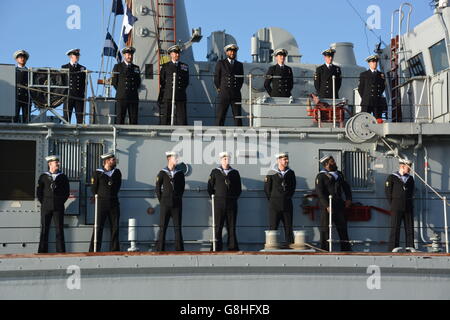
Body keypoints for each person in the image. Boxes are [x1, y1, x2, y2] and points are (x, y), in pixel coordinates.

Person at [315, 155, 352, 251]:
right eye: (332, 162)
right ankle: (325, 249)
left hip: (339, 205)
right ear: (326, 164)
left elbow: (346, 187)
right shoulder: (321, 176)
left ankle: (346, 249)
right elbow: (320, 192)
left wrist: (348, 198)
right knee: (325, 229)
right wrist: (326, 205)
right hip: (327, 207)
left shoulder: (339, 174)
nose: (335, 163)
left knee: (342, 228)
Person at [207, 152, 242, 251]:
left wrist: (233, 198)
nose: (226, 160)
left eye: (228, 158)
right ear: (221, 160)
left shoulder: (235, 173)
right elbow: (210, 188)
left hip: (231, 204)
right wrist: (216, 199)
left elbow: (238, 189)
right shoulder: (215, 172)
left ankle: (233, 247)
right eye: (224, 158)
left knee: (231, 227)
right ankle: (216, 248)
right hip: (219, 204)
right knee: (218, 227)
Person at [36, 155, 70, 253]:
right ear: (50, 164)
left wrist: (59, 202)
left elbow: (66, 192)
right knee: (44, 230)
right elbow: (39, 192)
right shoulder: (43, 177)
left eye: (58, 162)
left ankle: (61, 251)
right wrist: (44, 202)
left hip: (58, 207)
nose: (58, 164)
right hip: (46, 207)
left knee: (59, 230)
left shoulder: (63, 177)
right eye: (56, 162)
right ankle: (42, 251)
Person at [89, 152, 122, 252]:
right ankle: (94, 250)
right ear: (107, 161)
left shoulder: (117, 172)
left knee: (115, 227)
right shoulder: (98, 173)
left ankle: (115, 250)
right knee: (98, 227)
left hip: (113, 202)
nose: (114, 161)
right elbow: (94, 188)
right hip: (101, 203)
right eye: (113, 160)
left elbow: (117, 186)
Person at [155, 152, 185, 251]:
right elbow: (158, 188)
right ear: (169, 159)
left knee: (178, 227)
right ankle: (160, 249)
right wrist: (162, 201)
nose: (177, 159)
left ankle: (179, 249)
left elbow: (182, 188)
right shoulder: (162, 173)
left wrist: (178, 198)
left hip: (176, 204)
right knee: (163, 227)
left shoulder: (180, 173)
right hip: (165, 204)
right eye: (175, 157)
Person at [264, 153, 296, 246]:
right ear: (278, 160)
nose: (287, 161)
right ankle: (272, 246)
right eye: (284, 159)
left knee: (288, 228)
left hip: (287, 204)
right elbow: (267, 189)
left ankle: (290, 246)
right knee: (273, 227)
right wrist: (273, 199)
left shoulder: (290, 173)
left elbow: (292, 188)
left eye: (287, 159)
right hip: (274, 205)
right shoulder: (271, 173)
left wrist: (287, 197)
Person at [385, 159, 415, 251]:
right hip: (396, 206)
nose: (410, 169)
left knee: (409, 227)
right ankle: (393, 248)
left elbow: (412, 192)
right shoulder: (392, 177)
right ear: (402, 166)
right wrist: (393, 204)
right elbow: (388, 192)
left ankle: (410, 247)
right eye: (408, 167)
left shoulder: (410, 179)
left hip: (408, 206)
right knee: (395, 227)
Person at [214, 44, 244, 126]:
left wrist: (236, 89)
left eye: (234, 51)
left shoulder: (239, 65)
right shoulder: (221, 63)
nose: (232, 53)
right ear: (226, 52)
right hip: (224, 93)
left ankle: (239, 134)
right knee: (221, 115)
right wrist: (220, 89)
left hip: (235, 94)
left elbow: (241, 80)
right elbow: (217, 78)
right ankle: (218, 132)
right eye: (230, 51)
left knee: (237, 116)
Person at [159, 45, 190, 125]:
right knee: (166, 116)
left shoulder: (184, 66)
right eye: (175, 53)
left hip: (180, 94)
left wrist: (180, 89)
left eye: (178, 53)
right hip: (168, 94)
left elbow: (186, 81)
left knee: (182, 117)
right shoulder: (165, 66)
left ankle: (183, 133)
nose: (177, 55)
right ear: (171, 54)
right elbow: (162, 81)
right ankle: (165, 133)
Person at [111, 47, 141, 125]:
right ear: (124, 55)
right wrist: (122, 90)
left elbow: (138, 82)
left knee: (133, 119)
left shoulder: (136, 68)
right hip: (121, 96)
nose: (129, 56)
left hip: (133, 97)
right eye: (128, 54)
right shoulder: (118, 67)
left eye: (131, 55)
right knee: (120, 118)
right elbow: (114, 82)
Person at [358, 55, 387, 122]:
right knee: (364, 120)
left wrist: (377, 95)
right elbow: (361, 89)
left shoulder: (381, 75)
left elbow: (382, 87)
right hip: (367, 101)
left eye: (376, 62)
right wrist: (366, 97)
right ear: (369, 63)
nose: (375, 63)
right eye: (373, 62)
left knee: (378, 121)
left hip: (377, 101)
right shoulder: (364, 74)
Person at [62, 49, 87, 124]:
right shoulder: (64, 67)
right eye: (75, 55)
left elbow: (84, 83)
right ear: (71, 56)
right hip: (68, 95)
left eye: (78, 55)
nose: (77, 57)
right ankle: (65, 134)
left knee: (80, 118)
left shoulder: (82, 68)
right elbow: (62, 82)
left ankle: (80, 134)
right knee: (66, 118)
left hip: (79, 96)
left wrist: (83, 94)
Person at [13, 50, 31, 123]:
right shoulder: (13, 71)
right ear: (17, 59)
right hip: (16, 97)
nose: (22, 59)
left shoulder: (29, 72)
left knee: (26, 119)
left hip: (26, 97)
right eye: (20, 57)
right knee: (14, 117)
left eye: (24, 58)